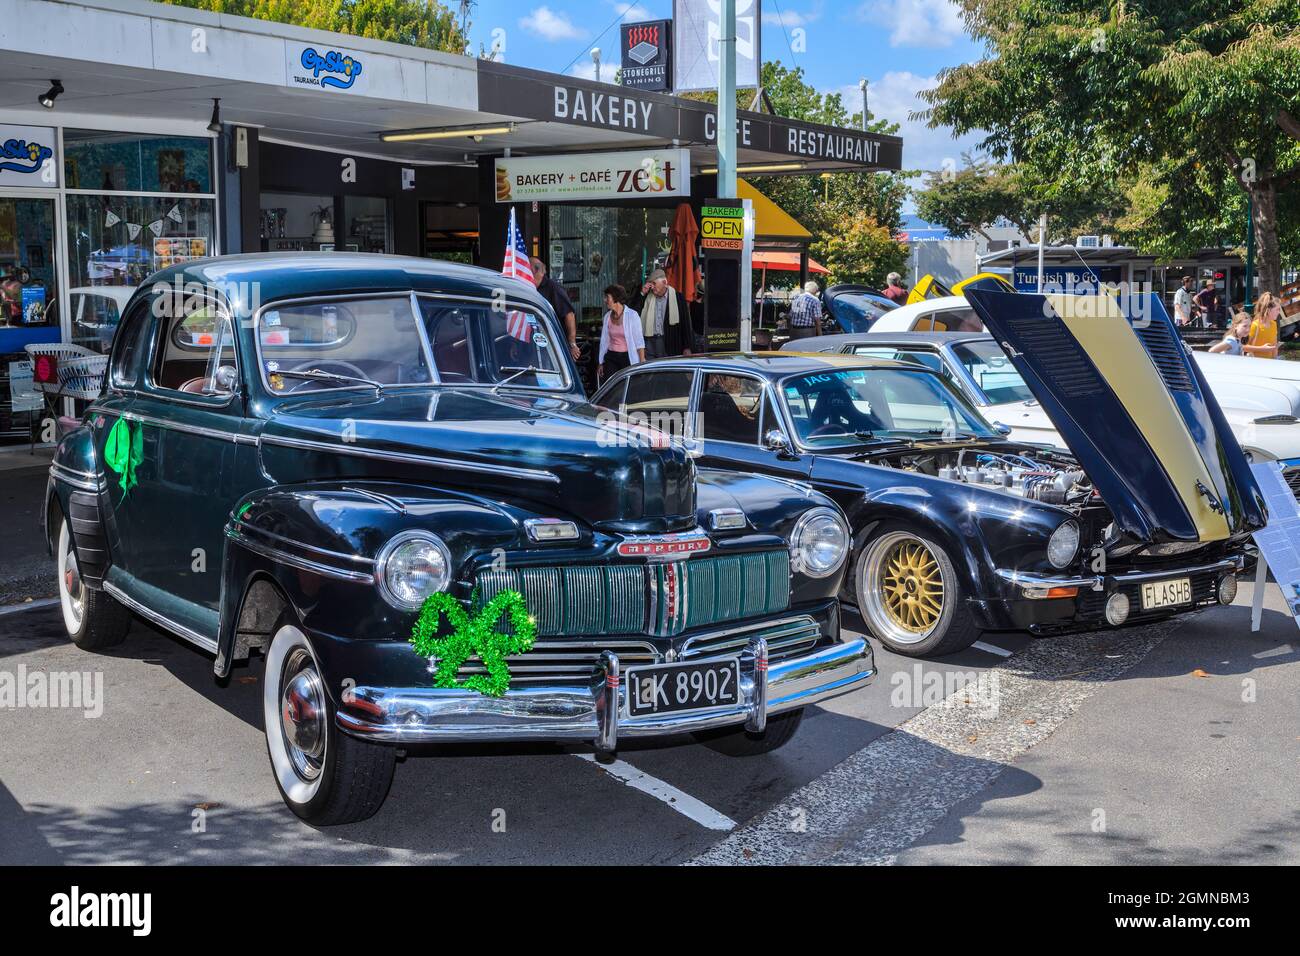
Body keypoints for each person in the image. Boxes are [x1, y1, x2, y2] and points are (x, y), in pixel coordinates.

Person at [631, 268, 693, 358]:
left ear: (664, 282)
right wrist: (642, 293)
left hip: (669, 342)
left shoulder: (678, 297)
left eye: (654, 284)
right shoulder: (647, 296)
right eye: (650, 284)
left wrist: (687, 347)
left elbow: (685, 323)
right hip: (649, 342)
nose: (652, 287)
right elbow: (633, 313)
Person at [529, 257, 580, 361]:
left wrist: (572, 343)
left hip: (553, 344)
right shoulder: (530, 288)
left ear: (535, 271)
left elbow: (569, 314)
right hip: (535, 342)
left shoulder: (553, 288)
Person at [597, 284, 645, 383]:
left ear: (616, 298)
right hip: (611, 357)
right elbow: (604, 341)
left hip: (627, 357)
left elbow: (639, 342)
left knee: (627, 386)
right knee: (610, 386)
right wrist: (601, 362)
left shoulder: (632, 315)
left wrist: (641, 363)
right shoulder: (607, 317)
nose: (605, 300)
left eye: (607, 297)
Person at [1244, 292, 1283, 359]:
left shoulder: (1274, 324)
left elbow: (1274, 347)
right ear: (1268, 310)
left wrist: (1275, 360)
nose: (1279, 312)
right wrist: (1262, 348)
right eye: (1277, 309)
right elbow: (1243, 347)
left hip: (1269, 365)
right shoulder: (1254, 325)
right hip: (1255, 364)